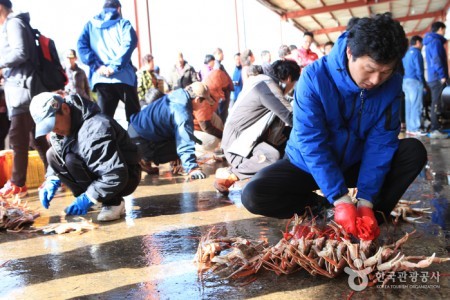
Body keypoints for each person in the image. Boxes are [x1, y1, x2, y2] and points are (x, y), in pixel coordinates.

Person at [241, 13, 427, 242]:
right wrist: (340, 199)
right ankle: (324, 209)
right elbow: (312, 143)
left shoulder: (391, 85)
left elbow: (381, 144)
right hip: (308, 164)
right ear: (350, 52)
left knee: (413, 151)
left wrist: (366, 200)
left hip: (353, 162)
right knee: (254, 194)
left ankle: (369, 217)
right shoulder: (313, 79)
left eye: (385, 71)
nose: (376, 80)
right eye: (369, 69)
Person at [30, 92, 141, 221]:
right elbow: (59, 153)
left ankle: (113, 202)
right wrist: (51, 178)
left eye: (53, 124)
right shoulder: (61, 128)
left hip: (125, 176)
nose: (53, 130)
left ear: (65, 109)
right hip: (108, 173)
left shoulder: (96, 128)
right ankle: (93, 196)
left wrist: (89, 197)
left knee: (71, 160)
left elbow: (114, 174)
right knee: (52, 154)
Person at [214, 60, 300, 195]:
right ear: (289, 78)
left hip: (242, 141)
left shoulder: (261, 81)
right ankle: (230, 175)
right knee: (272, 155)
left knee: (285, 141)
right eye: (294, 83)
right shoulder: (267, 87)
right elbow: (291, 117)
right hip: (237, 146)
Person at [0, 0, 49, 198]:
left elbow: (21, 52)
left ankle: (18, 183)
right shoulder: (14, 24)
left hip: (23, 90)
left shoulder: (13, 23)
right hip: (22, 88)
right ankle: (57, 174)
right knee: (37, 137)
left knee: (17, 137)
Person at [128, 82, 209, 179]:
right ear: (197, 100)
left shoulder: (177, 95)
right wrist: (192, 168)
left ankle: (144, 158)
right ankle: (143, 160)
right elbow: (184, 142)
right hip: (140, 140)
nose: (205, 105)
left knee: (180, 139)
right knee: (181, 147)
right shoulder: (182, 112)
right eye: (205, 102)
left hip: (134, 131)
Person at [77, 0, 139, 122]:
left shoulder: (90, 25)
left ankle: (106, 141)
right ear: (119, 9)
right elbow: (130, 43)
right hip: (124, 79)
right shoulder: (123, 24)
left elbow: (81, 46)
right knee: (135, 119)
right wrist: (115, 66)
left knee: (103, 121)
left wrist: (97, 66)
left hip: (101, 79)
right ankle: (136, 141)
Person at [424, 21, 449, 139]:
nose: (444, 32)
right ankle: (435, 129)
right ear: (439, 29)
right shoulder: (436, 42)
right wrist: (442, 75)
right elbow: (437, 59)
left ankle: (437, 126)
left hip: (433, 77)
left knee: (437, 102)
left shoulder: (430, 42)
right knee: (436, 103)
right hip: (437, 77)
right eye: (444, 29)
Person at [402, 36, 426, 136]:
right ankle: (415, 128)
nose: (422, 45)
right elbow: (419, 69)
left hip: (405, 81)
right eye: (421, 43)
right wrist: (422, 82)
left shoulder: (406, 53)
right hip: (415, 82)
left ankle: (409, 128)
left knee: (409, 106)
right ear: (417, 42)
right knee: (416, 105)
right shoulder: (417, 53)